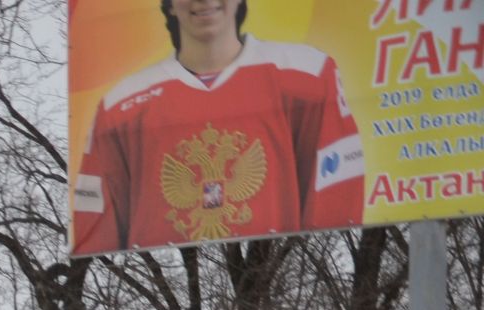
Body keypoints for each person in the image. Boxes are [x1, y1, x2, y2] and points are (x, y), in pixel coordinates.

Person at [73, 0, 363, 255]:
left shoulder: (307, 73)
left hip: (270, 276)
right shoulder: (120, 105)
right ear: (170, 4)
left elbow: (337, 197)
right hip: (169, 283)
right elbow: (95, 226)